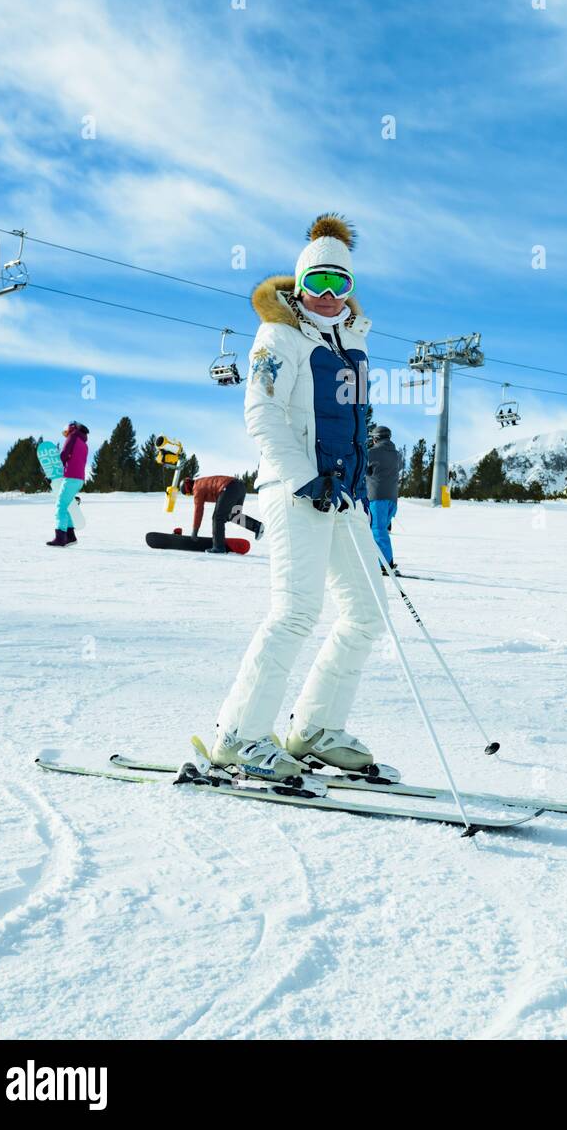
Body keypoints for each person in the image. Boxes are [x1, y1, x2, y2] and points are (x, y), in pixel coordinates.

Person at [208, 213, 386, 783]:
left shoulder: (356, 344)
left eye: (341, 285)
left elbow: (356, 422)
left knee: (367, 611)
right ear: (300, 286)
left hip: (345, 498)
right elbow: (261, 413)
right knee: (295, 612)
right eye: (318, 284)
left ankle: (315, 728)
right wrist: (303, 477)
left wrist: (355, 484)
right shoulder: (277, 337)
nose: (330, 296)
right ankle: (239, 736)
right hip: (295, 492)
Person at [179, 474, 247, 553]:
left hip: (228, 488)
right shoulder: (202, 482)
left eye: (188, 493)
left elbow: (198, 511)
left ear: (187, 488)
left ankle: (219, 547)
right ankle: (256, 527)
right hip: (240, 487)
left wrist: (195, 531)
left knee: (218, 518)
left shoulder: (197, 488)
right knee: (234, 516)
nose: (191, 495)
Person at [366, 425, 402, 574]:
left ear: (376, 438)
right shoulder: (397, 454)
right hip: (392, 499)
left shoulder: (372, 452)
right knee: (380, 531)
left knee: (378, 530)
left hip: (377, 496)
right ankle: (377, 560)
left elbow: (363, 469)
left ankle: (385, 564)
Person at [47, 421, 89, 547]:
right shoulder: (84, 443)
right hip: (79, 478)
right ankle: (70, 536)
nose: (65, 435)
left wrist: (53, 473)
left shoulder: (73, 437)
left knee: (61, 506)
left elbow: (64, 455)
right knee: (67, 505)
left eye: (65, 431)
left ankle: (60, 538)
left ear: (71, 428)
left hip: (71, 477)